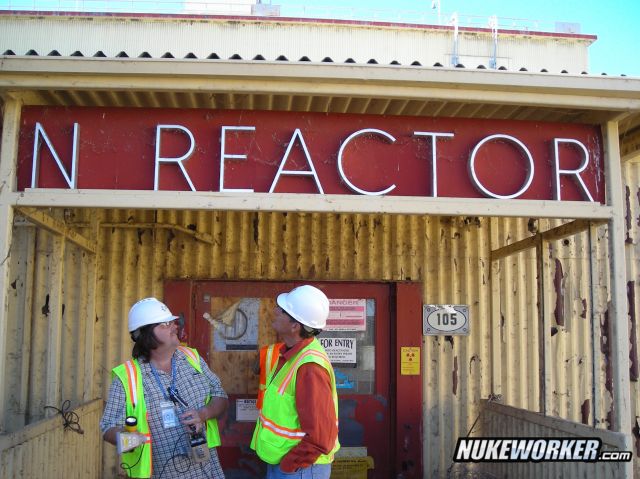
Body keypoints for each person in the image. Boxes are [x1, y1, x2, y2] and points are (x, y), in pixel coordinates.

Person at [100, 297, 228, 478]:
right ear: (145, 334)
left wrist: (203, 414)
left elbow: (220, 396)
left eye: (172, 322)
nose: (175, 327)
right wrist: (130, 440)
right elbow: (107, 428)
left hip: (208, 471)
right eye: (165, 324)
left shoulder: (192, 358)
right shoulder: (127, 377)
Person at [251, 285, 340, 479]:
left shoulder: (309, 367)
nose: (275, 311)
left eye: (282, 310)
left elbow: (321, 437)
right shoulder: (290, 355)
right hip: (288, 465)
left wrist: (289, 465)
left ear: (295, 326)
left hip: (300, 470)